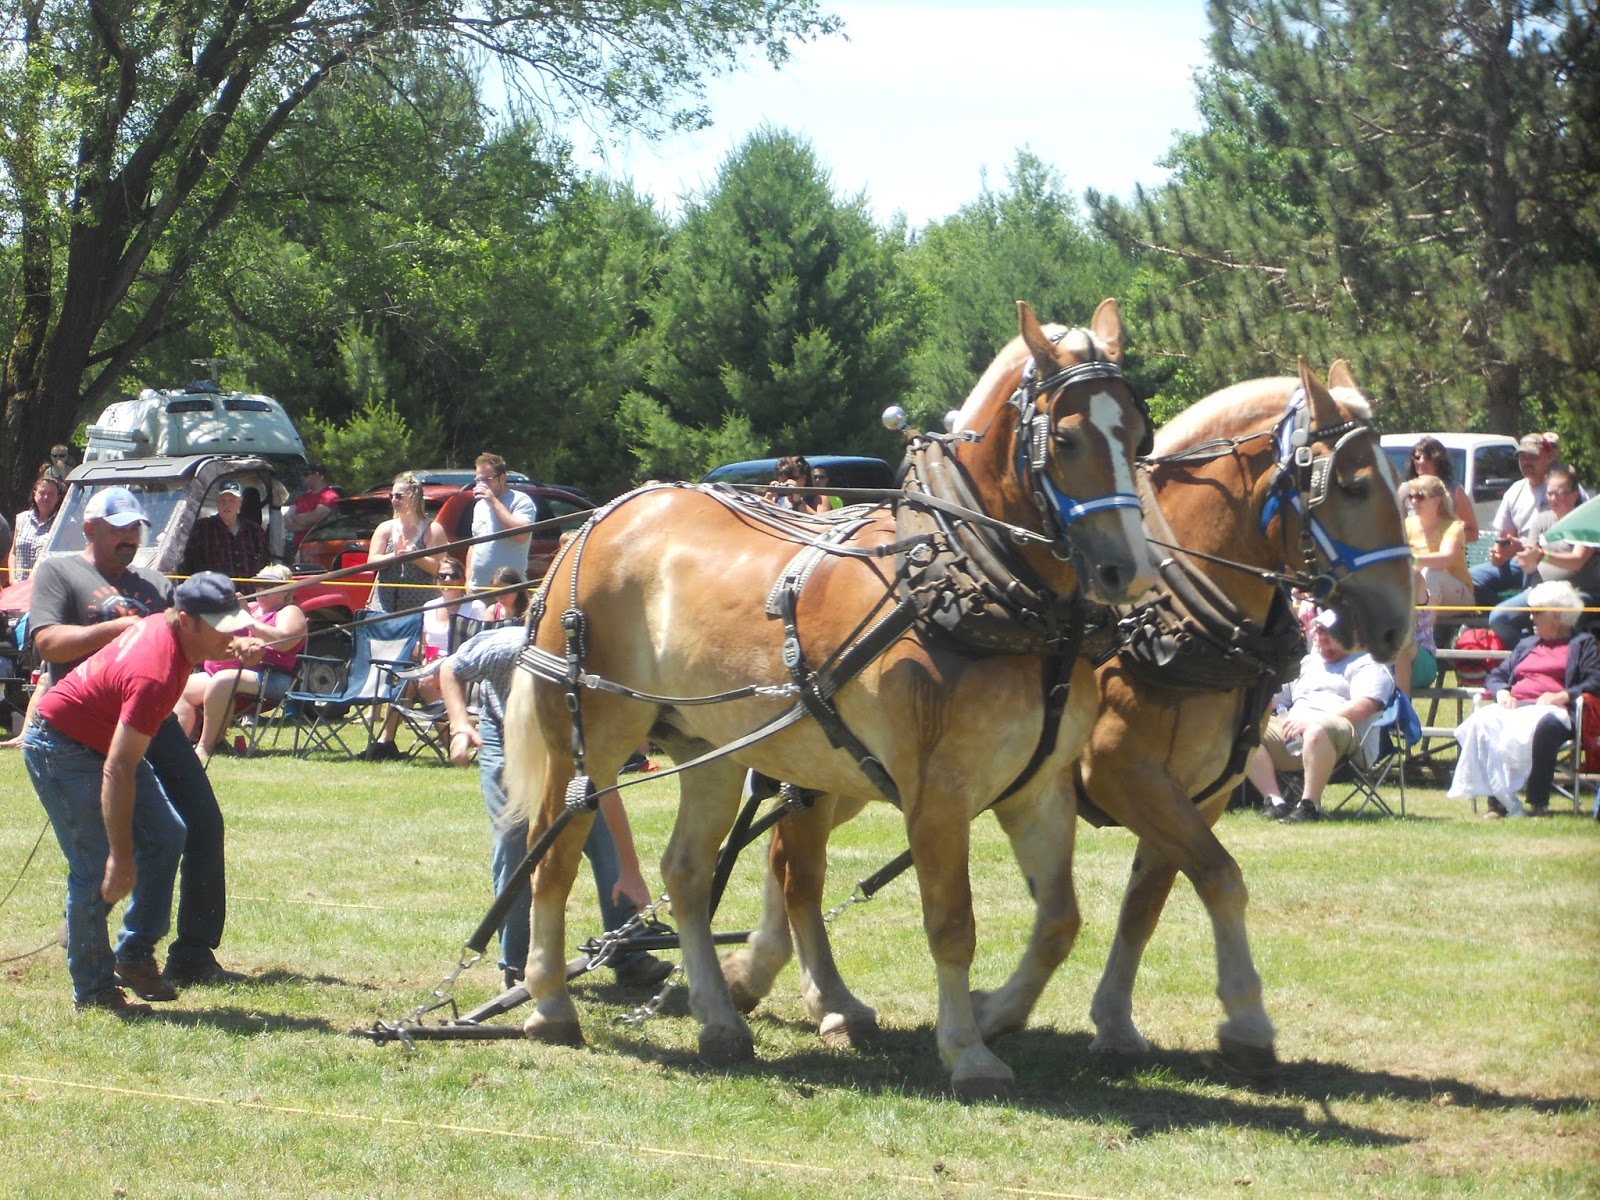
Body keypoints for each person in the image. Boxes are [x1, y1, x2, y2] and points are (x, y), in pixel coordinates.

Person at [29, 486, 246, 985]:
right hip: (83, 723)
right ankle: (91, 929)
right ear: (90, 528)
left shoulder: (153, 582)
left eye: (135, 528)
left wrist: (241, 646)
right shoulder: (61, 571)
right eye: (118, 527)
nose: (129, 536)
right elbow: (45, 642)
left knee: (198, 826)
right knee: (106, 851)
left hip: (152, 720)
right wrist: (118, 629)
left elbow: (194, 638)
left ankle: (187, 952)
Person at [437, 624, 673, 991]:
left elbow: (604, 788)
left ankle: (631, 953)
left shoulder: (590, 674)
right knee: (513, 842)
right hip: (504, 738)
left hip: (568, 738)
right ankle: (517, 966)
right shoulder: (502, 649)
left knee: (600, 834)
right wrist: (459, 724)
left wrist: (630, 870)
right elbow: (450, 668)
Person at [1449, 581, 1600, 818]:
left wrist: (1564, 695)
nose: (1531, 618)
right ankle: (1497, 803)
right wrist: (1501, 692)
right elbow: (1498, 675)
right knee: (1483, 722)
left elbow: (1595, 681)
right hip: (1517, 706)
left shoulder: (1582, 644)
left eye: (1537, 612)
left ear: (1558, 616)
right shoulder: (1526, 644)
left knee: (1546, 726)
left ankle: (1538, 802)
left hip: (1553, 711)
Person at [1247, 608, 1396, 823]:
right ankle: (1275, 802)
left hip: (1348, 742)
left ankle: (1309, 806)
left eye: (1330, 633)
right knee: (1247, 730)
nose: (1322, 639)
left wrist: (1310, 723)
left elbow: (1364, 707)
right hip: (1293, 735)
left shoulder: (1368, 664)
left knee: (1317, 729)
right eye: (1319, 632)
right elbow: (1276, 700)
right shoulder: (1309, 663)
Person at [176, 564, 307, 766]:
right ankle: (180, 746)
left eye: (267, 586)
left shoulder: (289, 611)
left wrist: (248, 621)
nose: (260, 590)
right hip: (230, 672)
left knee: (222, 681)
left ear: (285, 590)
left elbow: (284, 642)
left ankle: (206, 746)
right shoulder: (251, 607)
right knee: (182, 685)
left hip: (271, 677)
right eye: (257, 585)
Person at [1486, 464, 1599, 648]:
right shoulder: (1542, 520)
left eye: (1559, 494)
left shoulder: (1585, 522)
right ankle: (1531, 656)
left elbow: (1578, 561)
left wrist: (1542, 555)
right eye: (1549, 494)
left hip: (1577, 593)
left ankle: (1569, 664)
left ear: (1574, 494)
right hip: (1540, 592)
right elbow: (1529, 565)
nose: (1553, 499)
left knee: (1565, 620)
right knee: (1499, 617)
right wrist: (1515, 554)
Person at [1470, 433, 1557, 607]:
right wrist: (1499, 551)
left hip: (1549, 560)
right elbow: (1507, 536)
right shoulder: (1515, 491)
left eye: (1532, 456)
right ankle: (1501, 620)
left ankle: (1513, 619)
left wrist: (1524, 549)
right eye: (1521, 457)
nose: (1526, 462)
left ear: (1548, 457)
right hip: (1517, 561)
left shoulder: (1561, 487)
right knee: (1471, 579)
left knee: (1530, 566)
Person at [366, 471, 447, 614]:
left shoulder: (433, 529)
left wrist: (416, 557)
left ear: (414, 498)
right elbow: (371, 562)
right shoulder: (385, 528)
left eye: (398, 496)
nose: (393, 500)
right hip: (385, 606)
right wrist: (394, 556)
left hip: (421, 607)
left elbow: (439, 569)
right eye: (391, 496)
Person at [1402, 474, 1474, 611]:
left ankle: (1426, 628)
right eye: (1411, 497)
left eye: (1420, 496)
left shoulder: (1453, 526)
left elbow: (1446, 559)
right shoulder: (1407, 525)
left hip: (1458, 597)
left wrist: (1412, 560)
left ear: (1437, 500)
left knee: (1431, 573)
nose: (1414, 502)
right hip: (1419, 590)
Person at [465, 453, 536, 589]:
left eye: (487, 479)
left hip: (508, 590)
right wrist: (468, 579)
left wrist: (492, 500)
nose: (482, 484)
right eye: (479, 480)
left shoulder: (520, 500)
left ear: (502, 478)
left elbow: (521, 536)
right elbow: (474, 544)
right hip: (477, 589)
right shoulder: (480, 505)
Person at [181, 479, 269, 585]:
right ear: (217, 502)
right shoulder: (202, 529)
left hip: (251, 596)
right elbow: (187, 563)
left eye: (231, 500)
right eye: (222, 500)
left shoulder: (254, 530)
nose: (226, 505)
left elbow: (265, 565)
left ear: (240, 503)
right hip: (215, 596)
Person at [1399, 436, 1478, 543]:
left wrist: (1442, 538)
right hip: (1414, 555)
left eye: (1427, 458)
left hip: (1446, 555)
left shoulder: (1455, 490)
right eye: (1417, 458)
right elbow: (1396, 530)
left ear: (1438, 461)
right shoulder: (1405, 489)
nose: (1421, 462)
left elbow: (1472, 533)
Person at [8, 470, 67, 583]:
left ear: (58, 498)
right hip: (18, 587)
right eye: (42, 492)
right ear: (34, 494)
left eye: (50, 494)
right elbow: (13, 552)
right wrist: (12, 578)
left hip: (46, 589)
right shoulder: (22, 519)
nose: (46, 497)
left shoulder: (63, 523)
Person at [284, 462, 340, 556]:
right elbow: (285, 521)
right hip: (297, 550)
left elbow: (316, 518)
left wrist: (295, 519)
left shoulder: (330, 496)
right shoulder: (302, 498)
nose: (303, 477)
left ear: (317, 475)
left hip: (319, 551)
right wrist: (309, 526)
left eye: (306, 474)